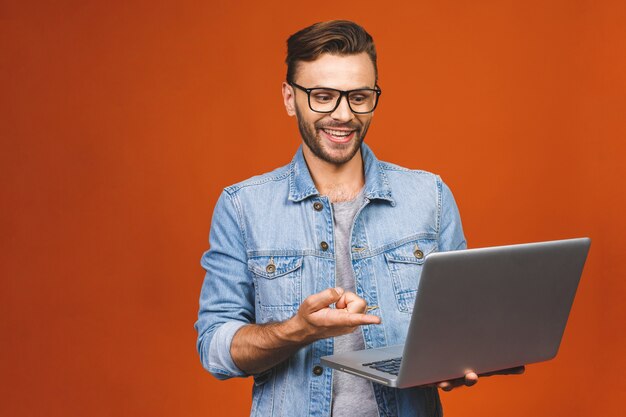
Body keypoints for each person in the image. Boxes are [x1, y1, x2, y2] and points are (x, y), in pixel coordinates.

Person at [195, 20, 523, 417]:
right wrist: (299, 330)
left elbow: (463, 324)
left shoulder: (429, 196)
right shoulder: (242, 207)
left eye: (359, 97)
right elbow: (215, 348)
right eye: (322, 96)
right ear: (288, 97)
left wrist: (461, 360)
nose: (343, 114)